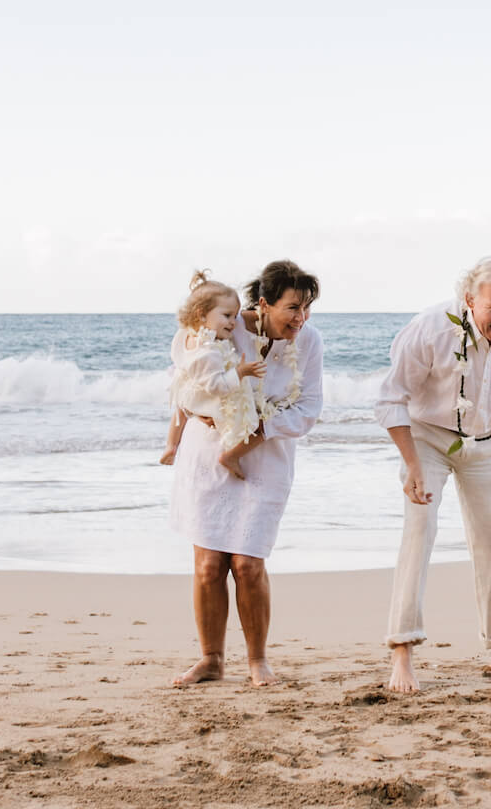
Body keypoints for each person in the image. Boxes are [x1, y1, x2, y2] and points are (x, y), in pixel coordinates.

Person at [378, 256, 491, 694]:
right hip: (427, 438)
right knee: (420, 529)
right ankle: (402, 650)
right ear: (469, 300)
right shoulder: (430, 327)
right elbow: (391, 398)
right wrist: (412, 465)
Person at [162, 259, 323, 688]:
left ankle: (257, 660)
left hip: (266, 458)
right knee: (209, 564)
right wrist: (203, 411)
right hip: (207, 452)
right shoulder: (223, 325)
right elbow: (185, 380)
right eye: (293, 308)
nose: (301, 318)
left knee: (249, 563)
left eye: (307, 308)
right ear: (264, 304)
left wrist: (254, 431)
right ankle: (211, 659)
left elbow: (308, 410)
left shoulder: (309, 342)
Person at [159, 273, 267, 479]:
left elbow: (180, 359)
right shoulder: (209, 350)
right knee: (253, 421)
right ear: (201, 314)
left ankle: (171, 446)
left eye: (235, 316)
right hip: (206, 395)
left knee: (181, 409)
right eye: (226, 316)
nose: (233, 323)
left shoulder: (187, 334)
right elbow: (217, 386)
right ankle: (231, 454)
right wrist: (240, 372)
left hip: (187, 390)